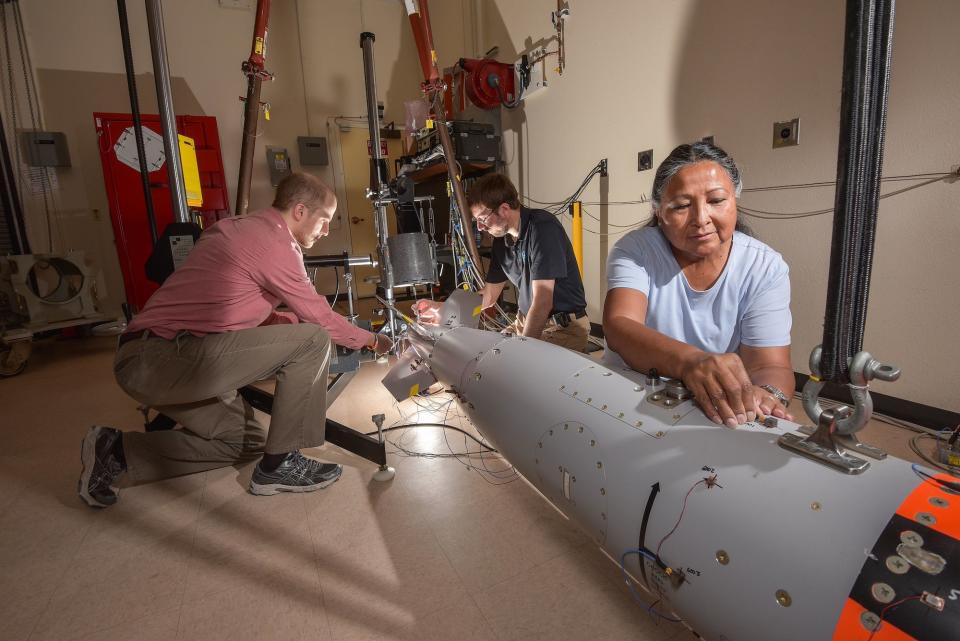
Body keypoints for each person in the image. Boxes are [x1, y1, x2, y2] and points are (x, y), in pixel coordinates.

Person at [78, 173, 392, 508]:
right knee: (313, 340)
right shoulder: (274, 242)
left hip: (164, 358)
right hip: (158, 358)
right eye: (324, 220)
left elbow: (244, 309)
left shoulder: (244, 228)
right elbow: (319, 318)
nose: (326, 230)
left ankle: (116, 452)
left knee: (245, 442)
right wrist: (373, 340)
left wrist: (291, 324)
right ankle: (280, 465)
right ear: (300, 211)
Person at [602, 142, 794, 428]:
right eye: (681, 206)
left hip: (709, 407)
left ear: (735, 200)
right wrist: (690, 362)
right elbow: (620, 325)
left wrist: (767, 394)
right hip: (630, 397)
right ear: (658, 211)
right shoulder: (636, 251)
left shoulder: (765, 267)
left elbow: (770, 365)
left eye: (717, 201)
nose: (701, 219)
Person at [414, 173, 590, 351]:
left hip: (563, 329)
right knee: (484, 357)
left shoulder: (543, 229)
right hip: (525, 322)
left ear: (504, 209)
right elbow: (489, 296)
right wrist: (443, 308)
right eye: (477, 222)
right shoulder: (501, 241)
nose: (481, 227)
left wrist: (524, 349)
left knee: (510, 368)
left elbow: (543, 302)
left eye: (482, 219)